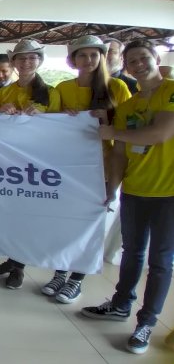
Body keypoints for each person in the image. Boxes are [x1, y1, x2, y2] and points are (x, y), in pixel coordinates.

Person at [81, 39, 174, 355]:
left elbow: (160, 133)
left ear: (155, 58)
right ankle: (121, 303)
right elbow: (119, 155)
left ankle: (146, 322)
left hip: (169, 192)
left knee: (160, 260)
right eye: (132, 60)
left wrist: (111, 132)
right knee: (132, 250)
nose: (138, 64)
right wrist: (112, 189)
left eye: (143, 58)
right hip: (135, 190)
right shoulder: (128, 107)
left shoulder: (171, 90)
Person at [43, 35, 130, 302]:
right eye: (82, 55)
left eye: (94, 55)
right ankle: (59, 271)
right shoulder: (62, 87)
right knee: (65, 222)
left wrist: (109, 118)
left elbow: (128, 129)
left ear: (103, 57)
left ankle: (77, 279)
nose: (88, 60)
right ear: (73, 59)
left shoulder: (117, 87)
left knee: (90, 224)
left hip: (101, 168)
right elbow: (49, 125)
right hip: (67, 167)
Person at [0, 39, 60, 289]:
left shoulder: (51, 92)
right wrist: (0, 112)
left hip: (35, 164)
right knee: (9, 213)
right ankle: (11, 258)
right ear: (14, 62)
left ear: (39, 60)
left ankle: (19, 266)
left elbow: (61, 127)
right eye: (21, 58)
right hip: (7, 162)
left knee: (27, 215)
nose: (26, 62)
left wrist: (44, 117)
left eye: (32, 58)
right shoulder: (4, 93)